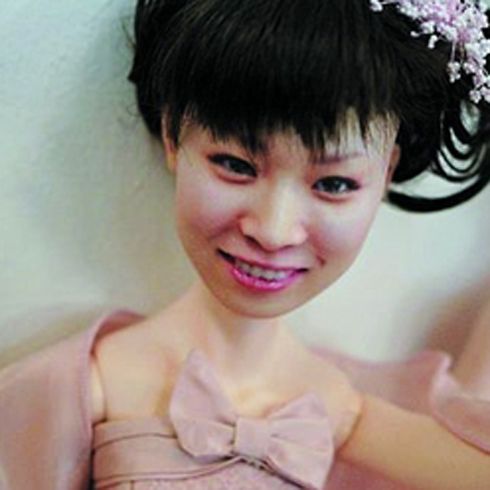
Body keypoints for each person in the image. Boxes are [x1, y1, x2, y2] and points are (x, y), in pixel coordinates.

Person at [1, 0, 490, 488]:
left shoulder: (349, 411)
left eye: (334, 184)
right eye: (235, 165)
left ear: (386, 173)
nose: (274, 232)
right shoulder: (76, 391)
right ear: (172, 137)